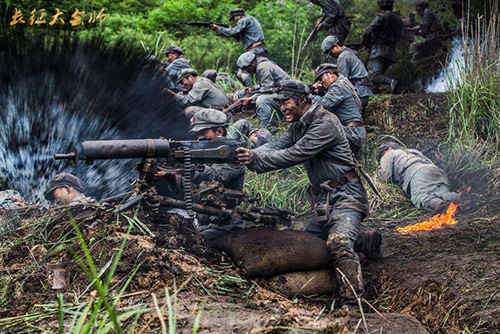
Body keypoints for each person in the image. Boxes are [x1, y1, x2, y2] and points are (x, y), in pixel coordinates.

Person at [237, 79, 369, 308]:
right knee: (307, 246)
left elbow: (295, 154)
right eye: (279, 103)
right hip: (323, 202)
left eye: (286, 102)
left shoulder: (325, 122)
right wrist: (249, 153)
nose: (282, 108)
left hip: (347, 197)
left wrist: (255, 159)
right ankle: (366, 242)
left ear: (302, 100)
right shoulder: (298, 125)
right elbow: (277, 146)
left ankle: (353, 303)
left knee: (338, 244)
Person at [377, 142, 467, 213]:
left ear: (389, 148)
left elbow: (386, 177)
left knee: (421, 197)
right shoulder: (413, 151)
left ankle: (445, 208)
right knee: (442, 193)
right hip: (436, 171)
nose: (382, 158)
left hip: (418, 172)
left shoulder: (389, 154)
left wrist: (378, 172)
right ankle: (462, 199)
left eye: (381, 155)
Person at [310, 63, 366, 156]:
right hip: (353, 131)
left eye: (321, 78)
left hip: (351, 132)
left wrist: (308, 96)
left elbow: (325, 104)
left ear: (331, 73)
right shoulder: (342, 81)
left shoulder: (338, 86)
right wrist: (318, 91)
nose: (321, 82)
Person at [210, 8, 266, 87]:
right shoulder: (249, 19)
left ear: (238, 16)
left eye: (233, 18)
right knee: (256, 72)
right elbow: (238, 36)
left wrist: (218, 28)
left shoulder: (245, 20)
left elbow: (234, 31)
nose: (234, 21)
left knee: (242, 72)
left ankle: (252, 90)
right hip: (257, 50)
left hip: (255, 51)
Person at [236, 51, 290, 129]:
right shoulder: (261, 64)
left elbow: (267, 90)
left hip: (286, 94)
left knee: (262, 100)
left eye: (247, 68)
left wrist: (251, 99)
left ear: (252, 63)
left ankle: (267, 129)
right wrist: (254, 88)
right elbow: (270, 84)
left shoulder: (262, 67)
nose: (247, 71)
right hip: (280, 91)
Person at [362, 0, 403, 93]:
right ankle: (377, 93)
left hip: (379, 51)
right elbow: (400, 37)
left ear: (380, 6)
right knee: (376, 76)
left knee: (373, 76)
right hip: (391, 53)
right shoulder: (399, 21)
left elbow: (368, 31)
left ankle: (392, 82)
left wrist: (366, 42)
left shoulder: (381, 17)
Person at [321, 35, 374, 108]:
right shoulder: (350, 52)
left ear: (336, 46)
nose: (332, 55)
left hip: (359, 94)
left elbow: (341, 81)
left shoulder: (343, 57)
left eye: (331, 52)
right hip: (364, 93)